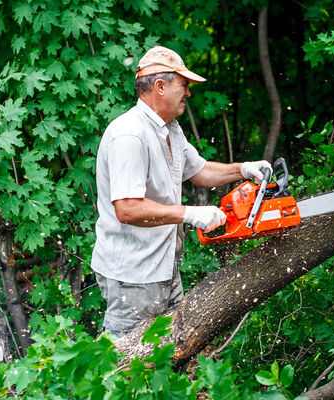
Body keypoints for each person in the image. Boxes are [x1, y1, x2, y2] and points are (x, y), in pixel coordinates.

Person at [91, 46, 270, 338]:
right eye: (184, 85)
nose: (188, 93)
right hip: (132, 275)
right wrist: (190, 214)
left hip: (164, 266)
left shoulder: (171, 129)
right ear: (159, 87)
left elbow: (199, 171)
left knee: (166, 353)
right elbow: (127, 209)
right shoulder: (129, 135)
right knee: (122, 364)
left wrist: (244, 169)